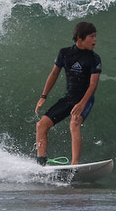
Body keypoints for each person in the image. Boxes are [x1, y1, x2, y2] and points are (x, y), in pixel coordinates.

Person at [34, 21, 101, 165]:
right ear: (80, 38)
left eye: (95, 36)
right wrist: (43, 96)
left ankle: (74, 163)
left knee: (74, 122)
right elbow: (54, 74)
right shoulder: (64, 53)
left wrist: (82, 104)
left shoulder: (94, 59)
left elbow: (93, 84)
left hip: (85, 99)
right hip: (69, 99)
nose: (95, 40)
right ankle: (41, 163)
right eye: (92, 36)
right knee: (41, 125)